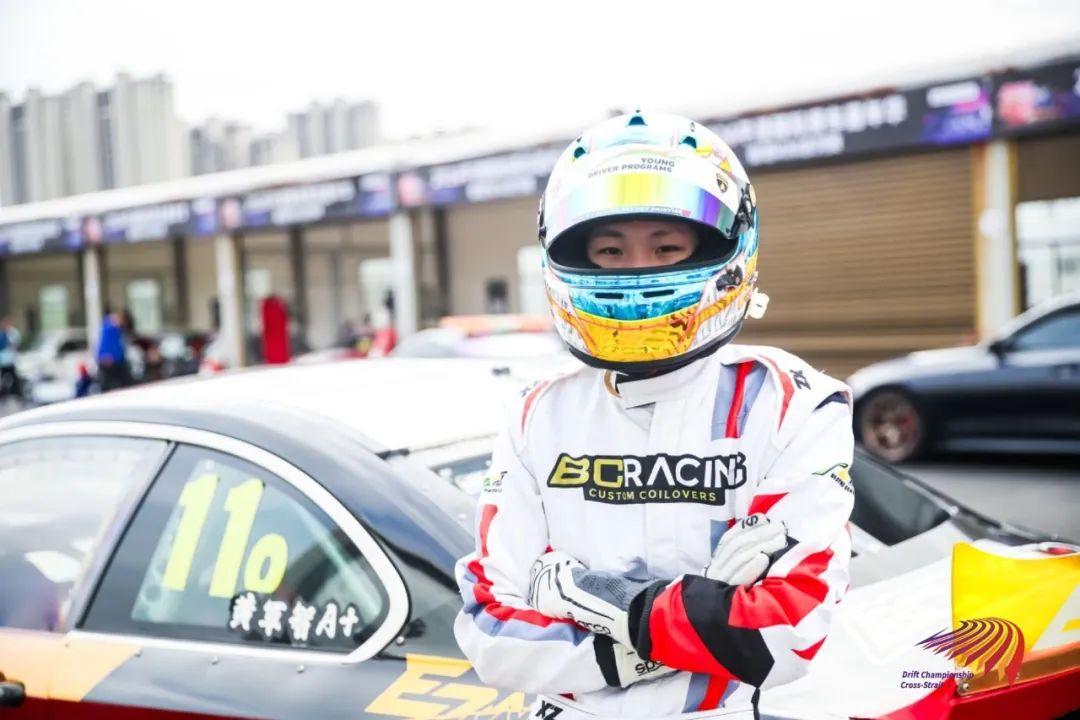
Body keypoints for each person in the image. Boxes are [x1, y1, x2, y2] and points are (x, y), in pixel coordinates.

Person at [454, 113, 855, 720]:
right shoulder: (540, 412)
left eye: (666, 248)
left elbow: (785, 633)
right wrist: (697, 620)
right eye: (610, 250)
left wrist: (594, 600)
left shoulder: (792, 404)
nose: (637, 273)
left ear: (722, 247)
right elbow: (490, 633)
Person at [97, 309, 131, 392]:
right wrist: (106, 356)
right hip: (109, 361)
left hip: (117, 360)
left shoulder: (117, 330)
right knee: (109, 383)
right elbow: (105, 345)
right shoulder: (109, 329)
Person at [0, 316, 22, 400]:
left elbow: (14, 343)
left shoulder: (13, 332)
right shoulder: (1, 333)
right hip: (3, 361)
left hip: (10, 360)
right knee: (4, 378)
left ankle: (18, 393)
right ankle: (4, 394)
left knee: (14, 377)